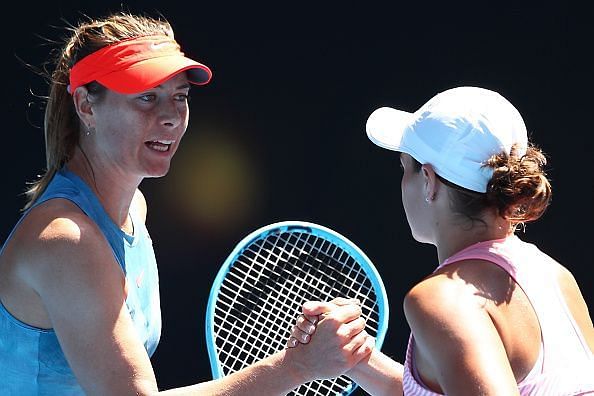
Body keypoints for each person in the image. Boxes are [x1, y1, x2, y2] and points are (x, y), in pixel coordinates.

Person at [0, 11, 375, 395]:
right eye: (147, 97)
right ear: (86, 106)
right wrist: (294, 367)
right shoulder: (66, 241)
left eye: (179, 97)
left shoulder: (134, 210)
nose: (170, 117)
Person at [289, 86, 594, 395]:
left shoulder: (442, 300)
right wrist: (359, 360)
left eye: (404, 167)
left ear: (428, 182)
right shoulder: (556, 277)